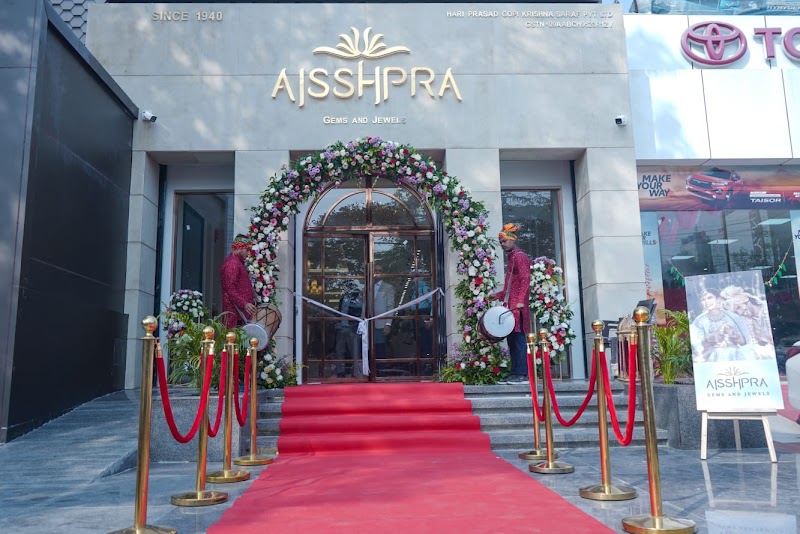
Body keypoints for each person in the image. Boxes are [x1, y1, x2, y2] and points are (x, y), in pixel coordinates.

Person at [489, 223, 531, 383]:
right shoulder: (512, 257)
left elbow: (525, 279)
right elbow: (510, 287)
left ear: (513, 240)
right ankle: (515, 373)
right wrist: (497, 295)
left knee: (518, 340)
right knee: (512, 340)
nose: (502, 244)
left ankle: (522, 374)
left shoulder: (520, 256)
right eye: (500, 242)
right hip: (510, 307)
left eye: (504, 241)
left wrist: (520, 301)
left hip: (517, 308)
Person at [690, 287, 755, 363]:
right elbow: (697, 347)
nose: (706, 302)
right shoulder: (699, 321)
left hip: (734, 356)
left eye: (710, 298)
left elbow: (744, 342)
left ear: (718, 299)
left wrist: (733, 334)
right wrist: (710, 339)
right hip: (712, 359)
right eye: (703, 300)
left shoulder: (732, 317)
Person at [220, 234, 256, 330]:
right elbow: (230, 289)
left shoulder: (237, 262)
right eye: (247, 250)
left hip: (240, 315)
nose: (248, 253)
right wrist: (244, 304)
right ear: (240, 247)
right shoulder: (232, 263)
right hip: (235, 316)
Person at [335, 281, 364, 377]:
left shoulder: (358, 300)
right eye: (347, 288)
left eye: (350, 288)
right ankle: (340, 371)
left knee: (355, 351)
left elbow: (358, 311)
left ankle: (357, 372)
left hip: (352, 328)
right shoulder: (343, 299)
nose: (348, 290)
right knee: (339, 350)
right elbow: (339, 311)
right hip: (341, 328)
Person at [373, 265, 395, 359]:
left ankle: (381, 368)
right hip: (368, 324)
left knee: (380, 350)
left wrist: (388, 324)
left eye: (380, 271)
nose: (377, 272)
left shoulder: (388, 287)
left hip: (381, 324)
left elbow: (390, 307)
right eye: (375, 270)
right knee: (368, 350)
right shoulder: (367, 287)